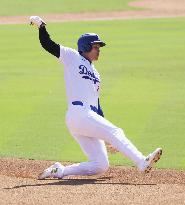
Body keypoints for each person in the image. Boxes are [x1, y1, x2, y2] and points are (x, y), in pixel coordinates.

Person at [29, 16, 162, 180]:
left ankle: (60, 171)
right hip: (78, 113)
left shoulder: (96, 74)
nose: (99, 49)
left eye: (99, 47)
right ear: (85, 46)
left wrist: (106, 137)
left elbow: (97, 106)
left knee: (101, 165)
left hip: (86, 117)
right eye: (96, 46)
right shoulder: (72, 57)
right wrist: (41, 27)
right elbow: (48, 44)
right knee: (116, 131)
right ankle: (142, 162)